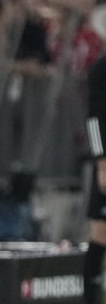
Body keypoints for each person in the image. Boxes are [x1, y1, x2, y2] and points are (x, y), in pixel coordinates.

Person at [84, 54, 106, 304]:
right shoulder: (101, 68)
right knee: (101, 230)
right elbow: (94, 118)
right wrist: (102, 162)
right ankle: (90, 298)